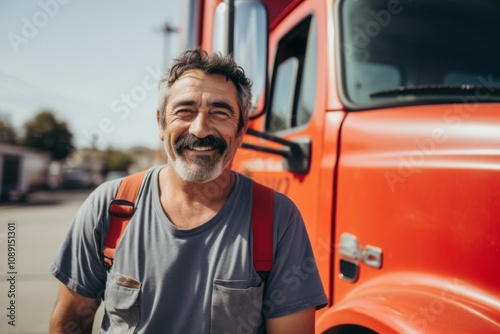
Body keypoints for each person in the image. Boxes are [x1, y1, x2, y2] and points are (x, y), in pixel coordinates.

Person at [49, 49, 328, 333]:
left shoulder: (278, 218)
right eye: (185, 111)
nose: (201, 129)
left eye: (220, 113)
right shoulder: (110, 206)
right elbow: (68, 324)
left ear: (242, 130)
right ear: (161, 123)